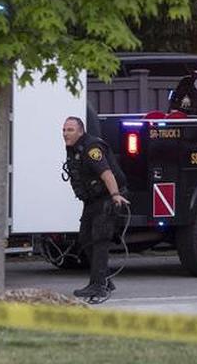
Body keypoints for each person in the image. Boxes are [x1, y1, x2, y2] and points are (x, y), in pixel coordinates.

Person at [61, 115, 128, 301]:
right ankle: (104, 280)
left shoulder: (91, 148)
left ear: (80, 131)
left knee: (99, 239)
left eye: (70, 130)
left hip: (107, 197)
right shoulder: (74, 148)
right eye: (64, 130)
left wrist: (115, 196)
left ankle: (98, 286)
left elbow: (107, 174)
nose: (65, 133)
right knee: (85, 237)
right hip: (93, 200)